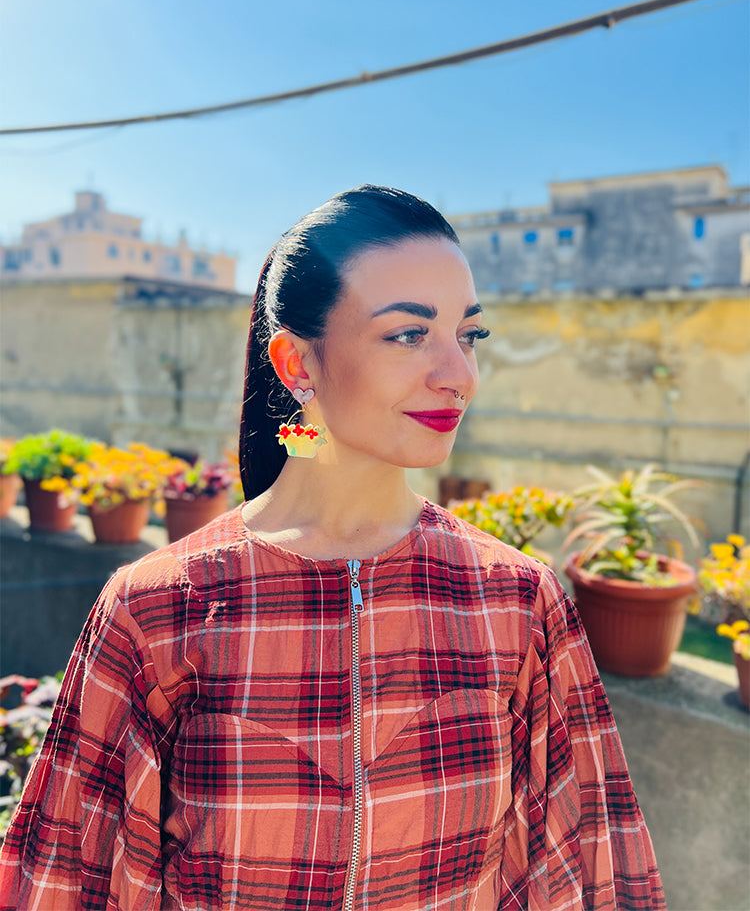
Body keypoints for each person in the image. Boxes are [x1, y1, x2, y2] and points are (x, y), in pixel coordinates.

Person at [0, 186, 665, 910]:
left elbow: (594, 873)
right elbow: (64, 881)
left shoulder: (518, 602)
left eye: (469, 335)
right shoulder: (157, 609)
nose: (459, 374)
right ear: (296, 364)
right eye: (408, 334)